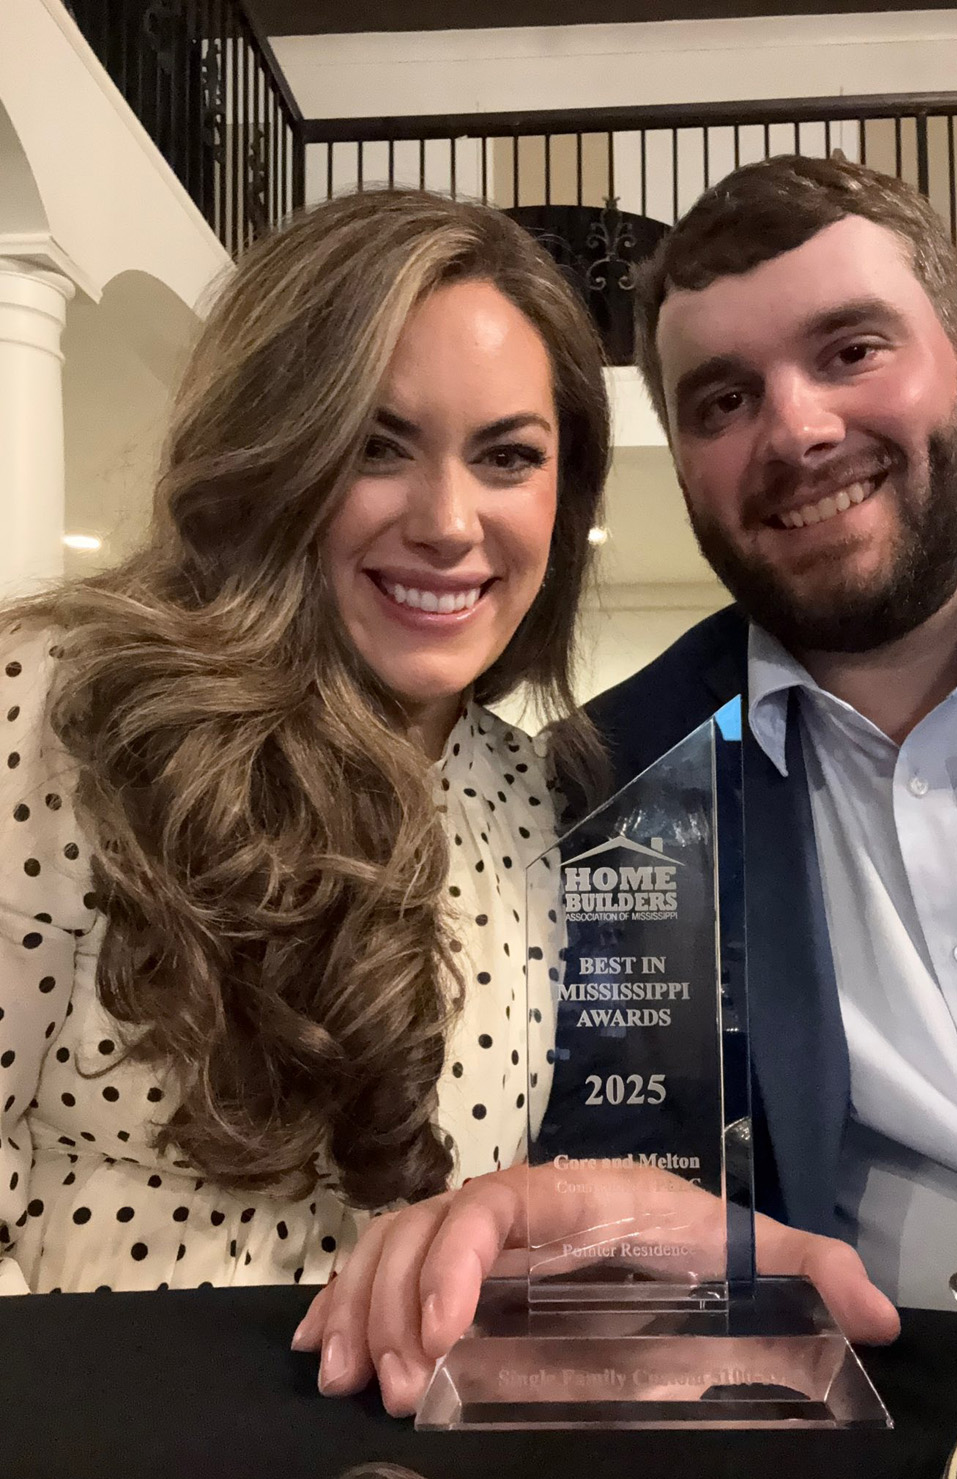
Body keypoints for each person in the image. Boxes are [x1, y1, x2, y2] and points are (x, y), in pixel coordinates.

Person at [0, 185, 897, 1415]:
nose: (447, 522)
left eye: (508, 457)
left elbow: (504, 1218)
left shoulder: (538, 794)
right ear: (275, 450)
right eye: (376, 445)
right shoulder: (60, 709)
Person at [585, 154, 957, 1311]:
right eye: (723, 402)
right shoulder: (617, 780)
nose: (798, 430)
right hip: (917, 1389)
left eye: (851, 351)